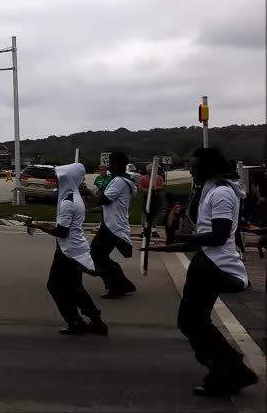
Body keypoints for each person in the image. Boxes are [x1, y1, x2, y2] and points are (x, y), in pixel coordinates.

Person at [145, 148, 257, 396]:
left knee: (192, 321)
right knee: (191, 321)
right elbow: (208, 235)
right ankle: (228, 366)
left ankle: (229, 369)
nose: (192, 169)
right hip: (206, 261)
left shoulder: (222, 194)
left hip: (215, 265)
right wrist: (174, 246)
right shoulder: (210, 190)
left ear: (210, 168)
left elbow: (219, 235)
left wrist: (189, 238)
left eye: (195, 166)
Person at [28, 163, 108, 335]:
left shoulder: (68, 202)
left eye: (60, 178)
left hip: (68, 251)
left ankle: (76, 322)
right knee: (74, 287)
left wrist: (42, 227)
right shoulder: (74, 197)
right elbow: (65, 226)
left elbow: (61, 231)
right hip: (72, 249)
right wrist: (41, 223)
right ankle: (95, 321)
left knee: (56, 286)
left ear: (69, 180)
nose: (57, 181)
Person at [85, 151, 138, 299]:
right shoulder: (125, 181)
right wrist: (90, 210)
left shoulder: (119, 181)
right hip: (112, 224)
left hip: (113, 226)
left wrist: (88, 191)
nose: (109, 167)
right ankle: (123, 283)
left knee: (97, 255)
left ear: (118, 165)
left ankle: (116, 286)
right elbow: (108, 205)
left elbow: (104, 200)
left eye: (111, 164)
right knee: (100, 255)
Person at [139, 164, 166, 235]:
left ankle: (153, 230)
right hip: (146, 197)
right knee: (145, 213)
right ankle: (143, 229)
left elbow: (163, 186)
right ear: (147, 170)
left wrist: (156, 188)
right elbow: (140, 187)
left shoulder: (159, 177)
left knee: (156, 213)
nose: (151, 171)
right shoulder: (143, 178)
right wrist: (146, 190)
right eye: (150, 170)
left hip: (156, 197)